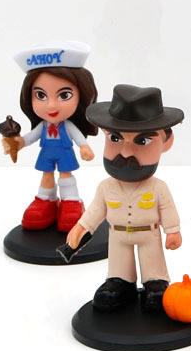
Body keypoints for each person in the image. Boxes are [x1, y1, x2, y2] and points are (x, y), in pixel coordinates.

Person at [66, 84, 184, 311]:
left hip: (149, 234)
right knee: (119, 265)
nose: (126, 152)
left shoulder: (158, 188)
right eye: (115, 138)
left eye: (142, 141)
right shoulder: (106, 187)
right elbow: (95, 211)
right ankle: (120, 283)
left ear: (166, 142)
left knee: (153, 263)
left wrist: (173, 231)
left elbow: (167, 209)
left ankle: (155, 284)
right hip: (117, 235)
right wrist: (81, 227)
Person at [3, 40, 97, 231]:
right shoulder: (43, 126)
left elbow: (78, 137)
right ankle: (46, 200)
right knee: (46, 175)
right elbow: (31, 137)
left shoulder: (68, 125)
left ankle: (71, 201)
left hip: (64, 153)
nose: (51, 105)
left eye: (64, 95)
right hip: (46, 153)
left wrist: (84, 146)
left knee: (65, 175)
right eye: (41, 95)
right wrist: (17, 143)